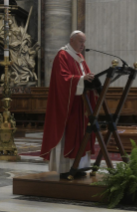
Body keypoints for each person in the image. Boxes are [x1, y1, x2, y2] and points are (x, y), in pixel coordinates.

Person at [40, 31, 96, 179]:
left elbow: (85, 75)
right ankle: (65, 169)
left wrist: (89, 79)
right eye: (80, 42)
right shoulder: (63, 55)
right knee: (68, 133)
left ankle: (79, 166)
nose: (83, 46)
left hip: (80, 105)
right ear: (71, 40)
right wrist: (82, 79)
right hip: (67, 106)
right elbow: (63, 79)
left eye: (84, 42)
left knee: (81, 133)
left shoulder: (80, 57)